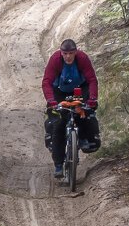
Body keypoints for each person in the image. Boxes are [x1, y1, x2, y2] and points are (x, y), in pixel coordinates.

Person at [42, 38, 101, 177]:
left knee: (83, 112)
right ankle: (58, 164)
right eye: (65, 54)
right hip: (59, 91)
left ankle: (84, 138)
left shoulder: (82, 59)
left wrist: (92, 99)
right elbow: (47, 82)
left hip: (79, 89)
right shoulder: (55, 60)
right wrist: (51, 101)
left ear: (76, 52)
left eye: (71, 53)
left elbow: (92, 80)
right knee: (58, 124)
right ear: (61, 53)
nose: (68, 56)